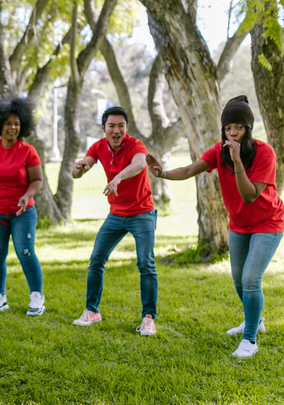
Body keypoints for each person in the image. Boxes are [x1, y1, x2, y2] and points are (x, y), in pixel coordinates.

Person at [147, 95, 283, 358]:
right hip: (239, 224)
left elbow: (250, 195)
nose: (232, 133)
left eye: (239, 127)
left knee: (250, 279)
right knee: (238, 281)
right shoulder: (218, 152)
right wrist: (162, 173)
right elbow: (188, 170)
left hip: (268, 222)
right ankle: (256, 320)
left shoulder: (265, 153)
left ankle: (250, 340)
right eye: (228, 127)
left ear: (248, 129)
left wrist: (238, 162)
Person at [71, 107, 158, 335]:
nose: (116, 130)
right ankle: (92, 311)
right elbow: (81, 169)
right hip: (116, 215)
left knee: (145, 264)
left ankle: (148, 318)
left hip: (142, 213)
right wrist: (79, 168)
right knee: (97, 259)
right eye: (112, 126)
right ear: (104, 128)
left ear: (126, 128)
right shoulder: (99, 146)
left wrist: (117, 177)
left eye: (121, 125)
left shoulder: (136, 146)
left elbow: (140, 164)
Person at [0, 98, 45, 316]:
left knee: (26, 253)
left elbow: (37, 180)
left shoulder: (28, 151)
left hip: (23, 212)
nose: (13, 127)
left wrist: (26, 196)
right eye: (8, 123)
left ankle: (37, 297)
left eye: (17, 123)